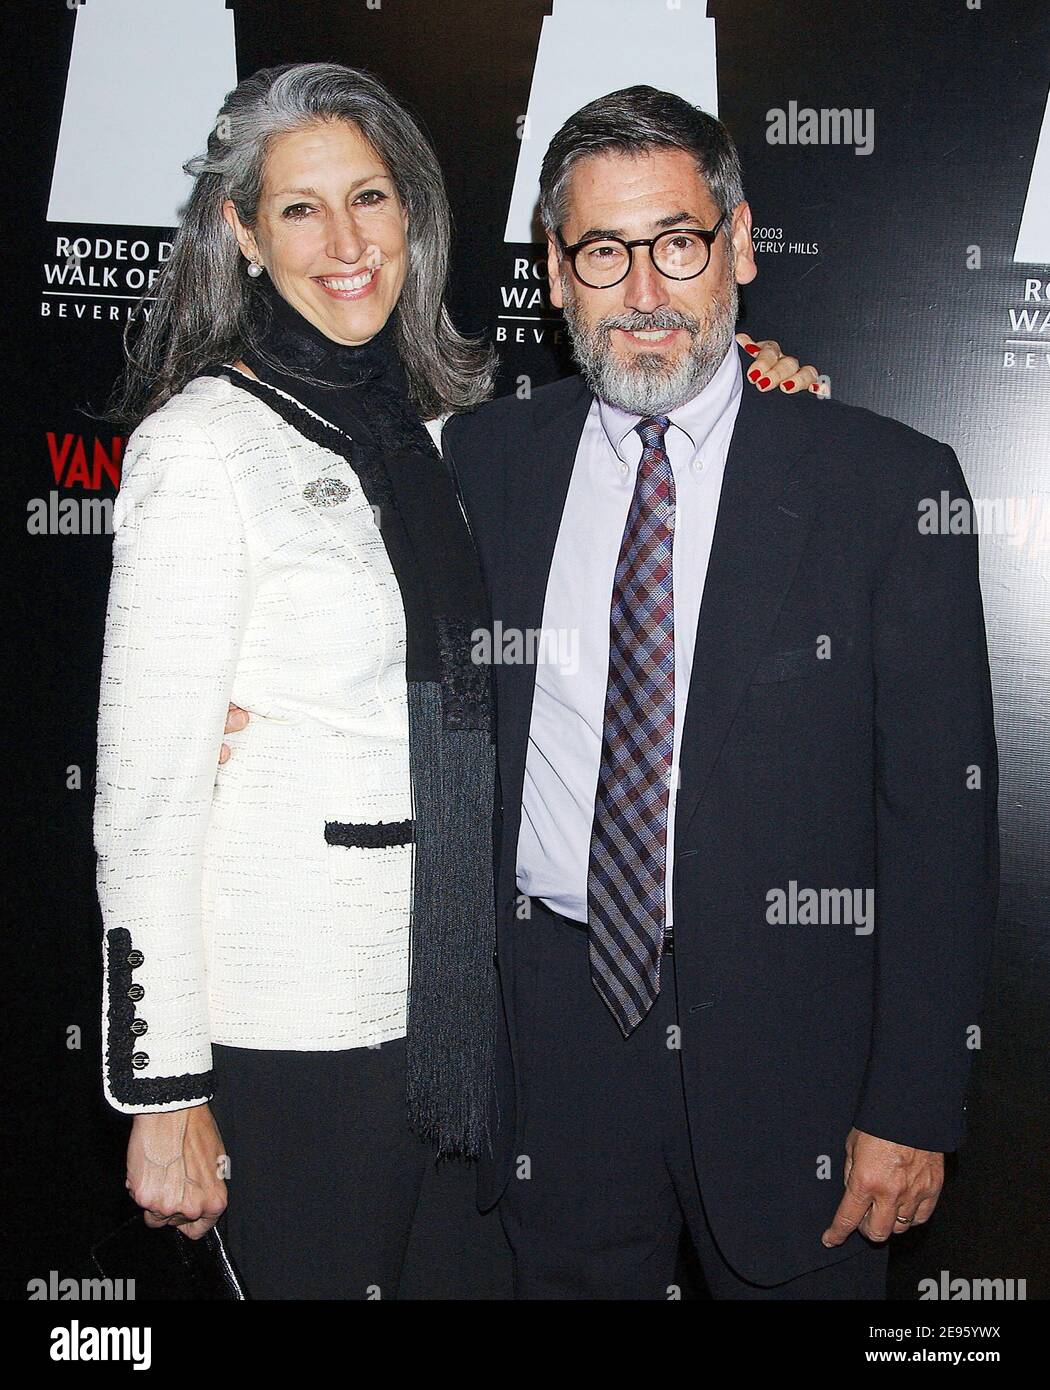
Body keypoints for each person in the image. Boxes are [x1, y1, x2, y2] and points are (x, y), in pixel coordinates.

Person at [96, 62, 811, 1300]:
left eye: (370, 199)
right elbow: (148, 799)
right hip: (296, 1025)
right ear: (243, 236)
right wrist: (163, 1090)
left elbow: (651, 435)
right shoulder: (197, 448)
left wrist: (760, 389)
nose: (346, 242)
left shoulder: (443, 436)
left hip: (464, 1019)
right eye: (301, 209)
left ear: (412, 218)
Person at [439, 86, 999, 1299]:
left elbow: (940, 823)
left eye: (679, 242)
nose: (644, 291)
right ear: (554, 269)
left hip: (801, 1057)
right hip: (554, 1034)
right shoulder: (482, 467)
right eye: (602, 251)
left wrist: (914, 1101)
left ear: (739, 242)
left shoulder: (887, 486)